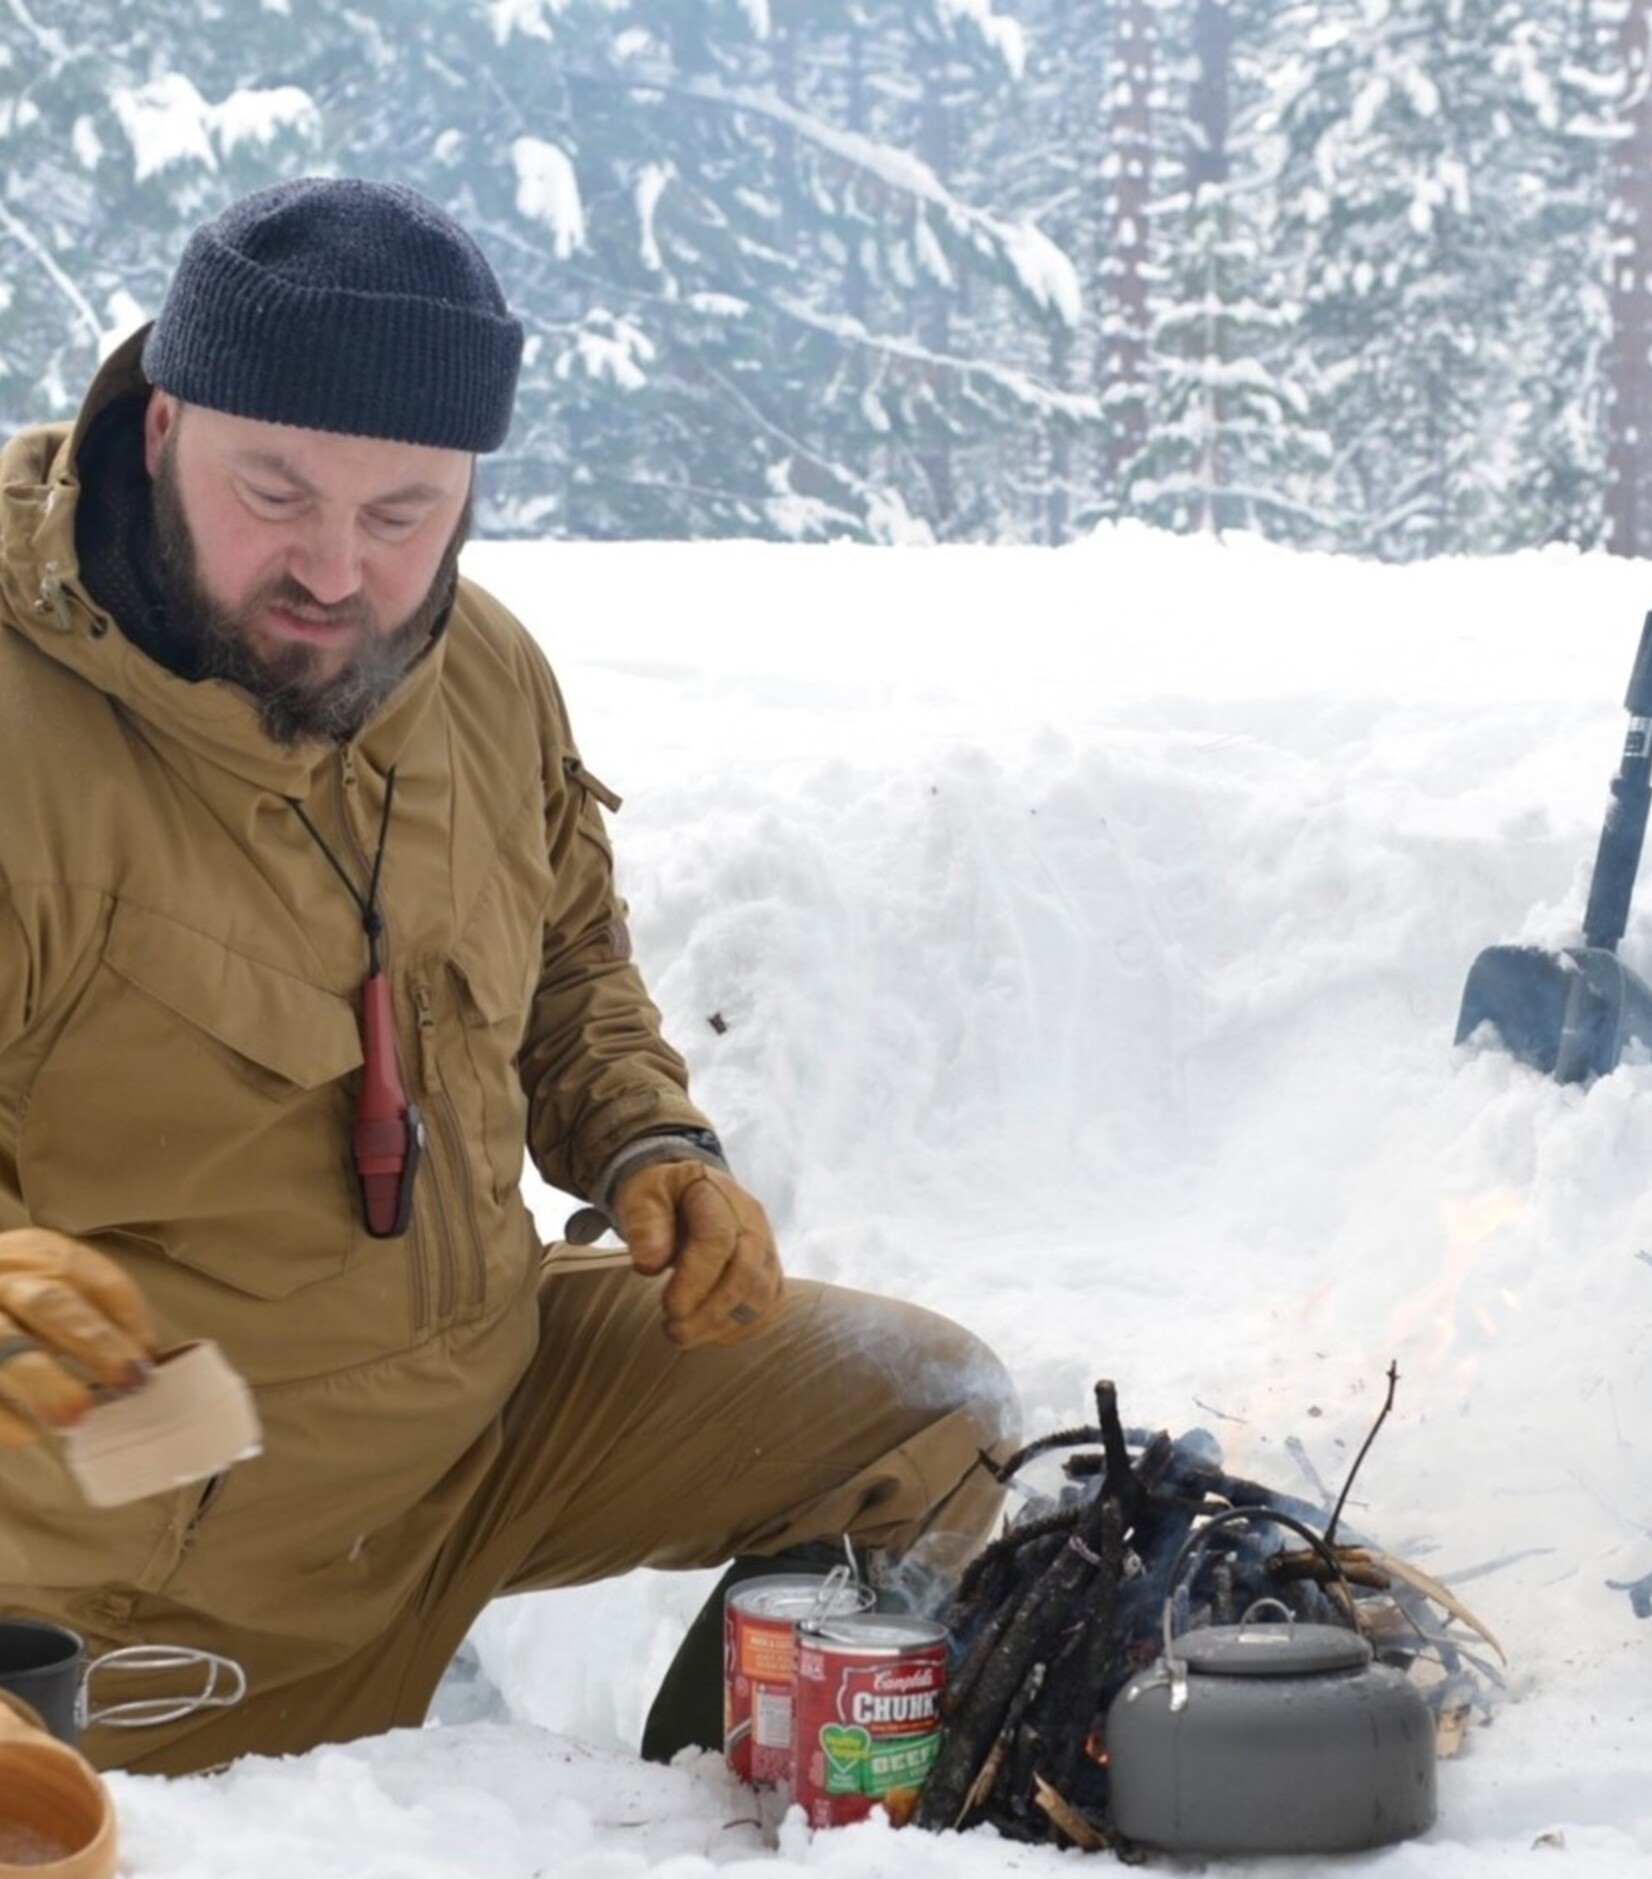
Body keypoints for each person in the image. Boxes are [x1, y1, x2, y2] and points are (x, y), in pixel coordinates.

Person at [0, 178, 1016, 1775]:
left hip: (475, 1427)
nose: (334, 569)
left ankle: (760, 1874)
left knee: (921, 1410)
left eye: (403, 513)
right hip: (160, 1550)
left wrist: (647, 1144)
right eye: (275, 490)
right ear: (157, 428)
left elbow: (565, 969)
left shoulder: (478, 676)